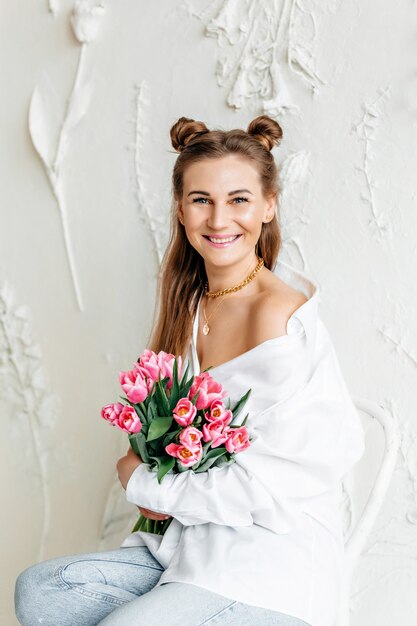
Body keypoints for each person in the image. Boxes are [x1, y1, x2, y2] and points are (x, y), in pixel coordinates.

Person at [14, 115, 365, 626]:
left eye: (239, 199)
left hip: (269, 565)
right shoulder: (192, 302)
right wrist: (146, 464)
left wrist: (145, 485)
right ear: (180, 209)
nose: (220, 220)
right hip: (192, 548)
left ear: (269, 205)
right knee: (44, 592)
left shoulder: (277, 317)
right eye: (202, 200)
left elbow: (262, 486)